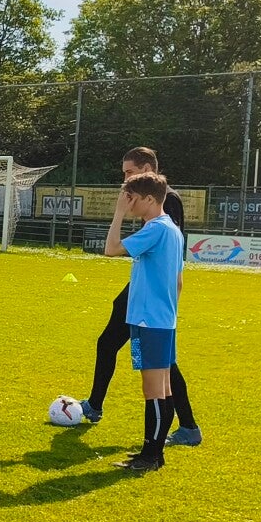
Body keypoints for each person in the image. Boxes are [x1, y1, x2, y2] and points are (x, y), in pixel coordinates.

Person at [81, 147, 201, 447]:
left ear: (147, 170)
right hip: (144, 301)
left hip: (152, 305)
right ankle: (98, 405)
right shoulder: (154, 210)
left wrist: (170, 304)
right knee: (135, 355)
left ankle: (172, 434)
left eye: (129, 172)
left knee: (159, 370)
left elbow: (167, 258)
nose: (125, 180)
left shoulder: (165, 206)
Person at [103, 172, 185, 471]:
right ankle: (152, 453)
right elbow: (178, 282)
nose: (129, 203)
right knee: (160, 388)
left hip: (151, 322)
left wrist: (118, 214)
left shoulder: (157, 229)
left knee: (154, 390)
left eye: (132, 199)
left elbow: (111, 249)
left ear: (150, 199)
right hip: (153, 321)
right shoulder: (171, 229)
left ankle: (151, 455)